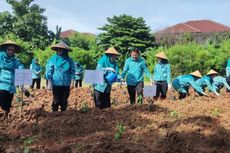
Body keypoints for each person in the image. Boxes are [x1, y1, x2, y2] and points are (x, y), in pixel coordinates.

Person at [45, 42, 75, 112]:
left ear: (65, 51)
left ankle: (63, 116)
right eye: (59, 50)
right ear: (56, 50)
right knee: (56, 100)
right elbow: (49, 72)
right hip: (56, 83)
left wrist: (72, 82)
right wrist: (49, 83)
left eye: (62, 50)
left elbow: (72, 71)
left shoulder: (69, 60)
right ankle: (54, 114)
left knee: (64, 100)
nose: (60, 51)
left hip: (66, 83)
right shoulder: (53, 59)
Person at [0, 40, 24, 116]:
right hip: (2, 84)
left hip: (11, 85)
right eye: (9, 50)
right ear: (5, 50)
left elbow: (20, 69)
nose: (11, 52)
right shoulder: (1, 58)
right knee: (2, 100)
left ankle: (6, 118)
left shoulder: (15, 61)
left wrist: (22, 83)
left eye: (13, 50)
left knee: (8, 103)